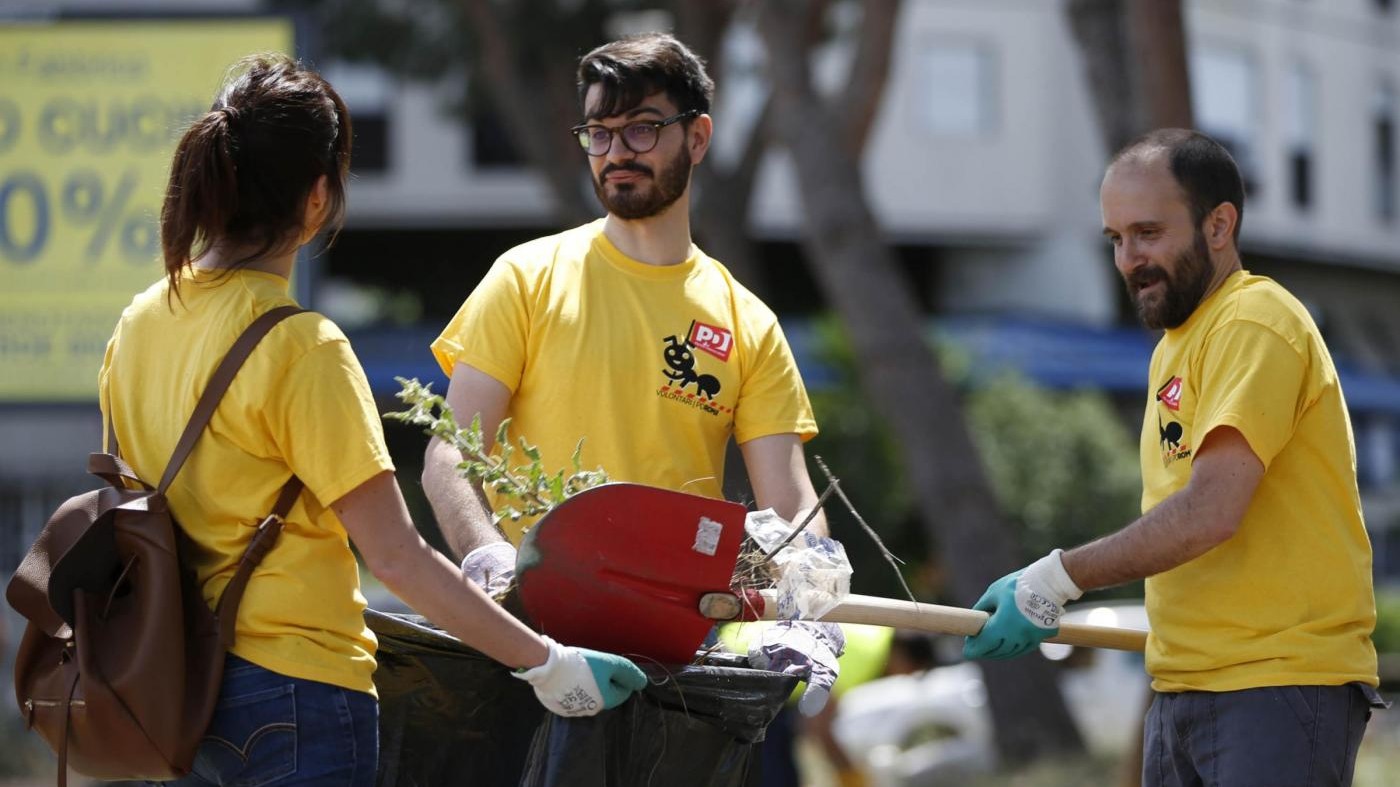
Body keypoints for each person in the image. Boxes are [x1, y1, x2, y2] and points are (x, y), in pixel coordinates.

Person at [102, 54, 645, 786]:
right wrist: (546, 662)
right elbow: (396, 556)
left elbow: (132, 503)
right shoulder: (300, 346)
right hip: (299, 695)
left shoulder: (140, 320)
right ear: (318, 196)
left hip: (180, 688)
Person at [422, 32, 846, 713]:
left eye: (643, 129)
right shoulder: (526, 280)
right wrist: (488, 558)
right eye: (599, 131)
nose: (617, 151)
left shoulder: (747, 323)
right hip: (529, 653)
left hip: (671, 670)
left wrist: (813, 593)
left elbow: (794, 508)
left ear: (698, 137)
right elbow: (450, 454)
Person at [962, 128, 1386, 785]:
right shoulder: (1173, 347)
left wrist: (1055, 578)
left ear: (1219, 225)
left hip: (1275, 684)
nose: (1130, 259)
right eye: (1116, 240)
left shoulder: (1253, 319)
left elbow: (1210, 511)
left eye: (1148, 233)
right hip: (1191, 685)